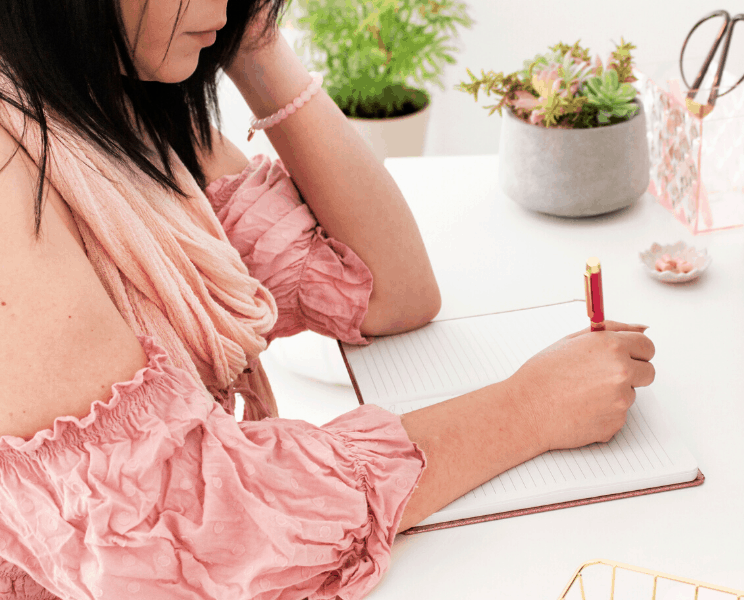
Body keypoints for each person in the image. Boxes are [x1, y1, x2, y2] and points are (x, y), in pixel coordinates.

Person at [0, 0, 657, 597]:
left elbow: (388, 291)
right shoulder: (11, 170)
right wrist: (528, 408)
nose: (223, 6)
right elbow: (204, 536)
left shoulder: (109, 100)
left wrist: (257, 50)